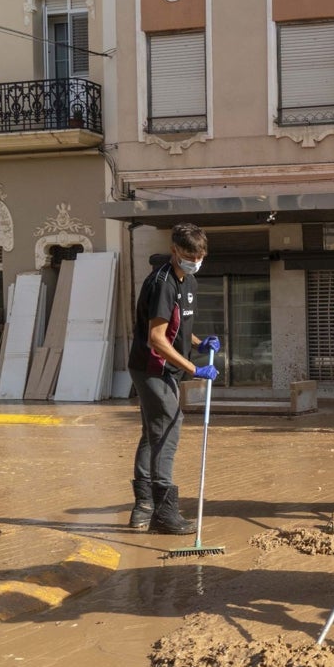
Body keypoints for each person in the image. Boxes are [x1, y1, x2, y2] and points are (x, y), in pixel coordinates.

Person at [126, 222, 220, 535]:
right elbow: (156, 338)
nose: (195, 259)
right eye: (189, 254)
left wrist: (199, 342)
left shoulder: (188, 281)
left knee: (152, 430)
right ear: (175, 251)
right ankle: (163, 512)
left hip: (167, 368)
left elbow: (177, 328)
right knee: (168, 427)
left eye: (200, 254)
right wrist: (195, 370)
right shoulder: (162, 283)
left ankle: (144, 506)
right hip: (152, 368)